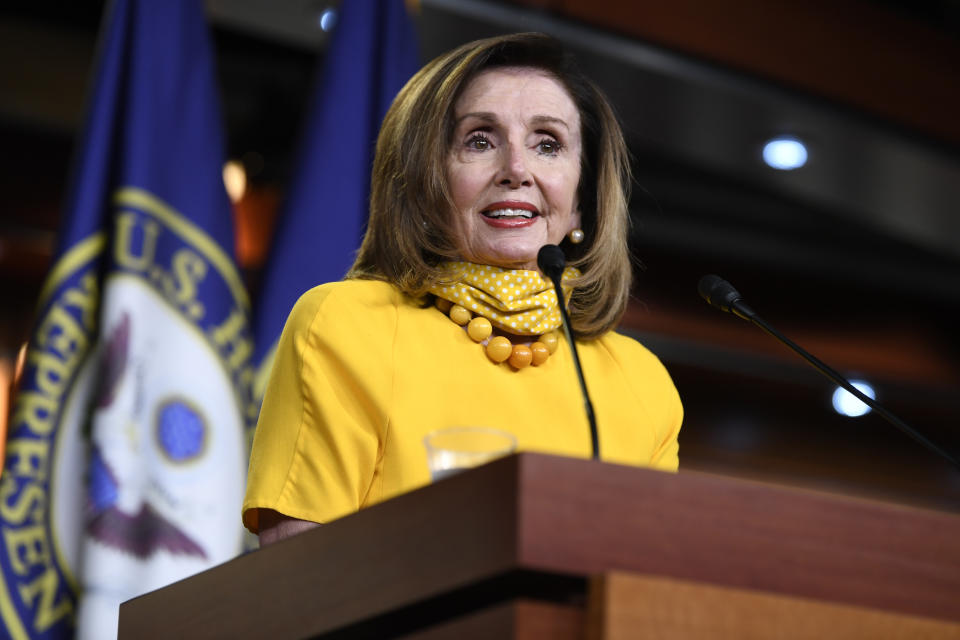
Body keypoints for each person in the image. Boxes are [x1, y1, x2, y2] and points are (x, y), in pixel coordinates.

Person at [242, 33, 682, 546]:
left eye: (547, 144)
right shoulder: (346, 325)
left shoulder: (641, 384)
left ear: (583, 201)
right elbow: (297, 582)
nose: (517, 170)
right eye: (479, 140)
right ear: (424, 181)